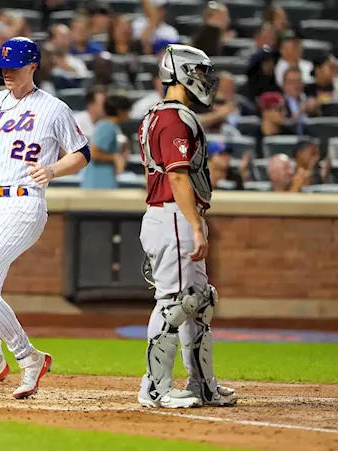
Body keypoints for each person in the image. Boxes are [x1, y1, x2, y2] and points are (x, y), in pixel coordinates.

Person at [0, 37, 90, 399]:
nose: (7, 73)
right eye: (3, 67)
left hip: (25, 203)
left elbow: (82, 153)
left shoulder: (54, 108)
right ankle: (29, 357)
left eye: (14, 67)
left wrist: (54, 169)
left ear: (33, 66)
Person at [137, 44, 237, 409]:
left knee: (199, 303)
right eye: (199, 72)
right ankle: (155, 388)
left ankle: (202, 385)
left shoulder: (162, 114)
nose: (205, 80)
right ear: (180, 73)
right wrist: (195, 226)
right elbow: (178, 177)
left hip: (174, 215)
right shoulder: (173, 118)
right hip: (174, 215)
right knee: (176, 302)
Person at [81, 92, 131, 189]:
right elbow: (93, 153)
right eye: (128, 111)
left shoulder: (109, 126)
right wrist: (115, 157)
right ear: (120, 111)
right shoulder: (107, 127)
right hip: (98, 184)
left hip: (102, 183)